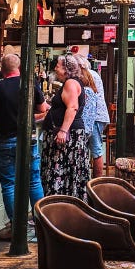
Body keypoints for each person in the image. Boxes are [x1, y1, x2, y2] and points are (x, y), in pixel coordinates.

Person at [0, 53, 49, 240]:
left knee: (9, 184)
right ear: (19, 67)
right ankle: (43, 224)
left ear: (2, 68)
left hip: (5, 140)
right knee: (34, 181)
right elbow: (43, 109)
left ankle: (16, 228)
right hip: (29, 138)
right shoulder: (29, 84)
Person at [40, 53, 90, 200]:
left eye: (58, 66)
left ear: (67, 69)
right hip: (71, 134)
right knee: (68, 171)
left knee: (61, 170)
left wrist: (63, 130)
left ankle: (60, 206)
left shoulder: (71, 83)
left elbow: (72, 107)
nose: (55, 68)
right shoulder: (73, 82)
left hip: (68, 137)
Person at [77, 55, 110, 178]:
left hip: (95, 116)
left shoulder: (88, 75)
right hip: (96, 116)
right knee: (94, 149)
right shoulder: (92, 74)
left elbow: (88, 100)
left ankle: (97, 183)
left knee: (96, 150)